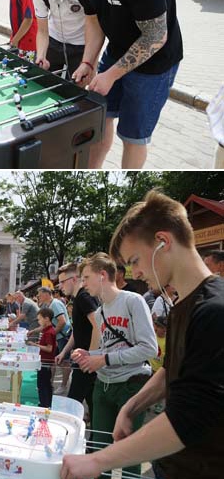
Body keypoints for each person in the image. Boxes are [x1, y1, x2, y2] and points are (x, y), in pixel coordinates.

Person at [61, 190, 224, 479]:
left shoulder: (214, 309)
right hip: (171, 465)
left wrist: (97, 460)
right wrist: (133, 405)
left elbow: (189, 418)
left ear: (163, 242)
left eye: (135, 260)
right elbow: (172, 370)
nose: (134, 273)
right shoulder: (181, 308)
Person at [40, 0, 183, 169]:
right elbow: (94, 22)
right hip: (116, 52)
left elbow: (155, 36)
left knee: (132, 136)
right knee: (98, 121)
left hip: (154, 63)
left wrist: (111, 75)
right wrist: (88, 62)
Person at [71, 252, 157, 479]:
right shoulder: (100, 312)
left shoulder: (133, 301)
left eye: (86, 277)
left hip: (130, 386)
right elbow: (111, 348)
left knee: (130, 455)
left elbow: (149, 349)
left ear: (102, 276)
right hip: (103, 386)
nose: (83, 284)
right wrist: (89, 354)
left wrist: (104, 359)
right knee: (101, 453)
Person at [55, 263, 100, 415]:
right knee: (91, 402)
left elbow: (98, 324)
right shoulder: (78, 299)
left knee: (72, 403)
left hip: (86, 362)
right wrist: (64, 352)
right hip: (83, 360)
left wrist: (91, 356)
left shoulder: (83, 297)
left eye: (62, 282)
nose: (60, 286)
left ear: (74, 279)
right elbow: (77, 332)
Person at [27, 307, 57, 408]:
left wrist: (36, 345)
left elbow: (49, 348)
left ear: (46, 319)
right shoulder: (47, 330)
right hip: (44, 361)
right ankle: (46, 403)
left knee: (43, 385)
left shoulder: (49, 332)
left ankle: (44, 404)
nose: (39, 321)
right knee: (45, 384)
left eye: (40, 319)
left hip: (45, 362)